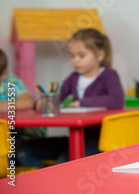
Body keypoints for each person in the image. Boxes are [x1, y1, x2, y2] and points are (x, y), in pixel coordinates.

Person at [22, 28, 124, 168]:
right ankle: (47, 181)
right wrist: (40, 103)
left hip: (100, 140)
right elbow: (57, 98)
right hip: (75, 138)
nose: (75, 61)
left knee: (66, 161)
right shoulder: (73, 78)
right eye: (72, 56)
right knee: (20, 149)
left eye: (81, 56)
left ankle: (57, 184)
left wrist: (82, 103)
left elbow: (117, 100)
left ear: (99, 55)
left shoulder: (109, 75)